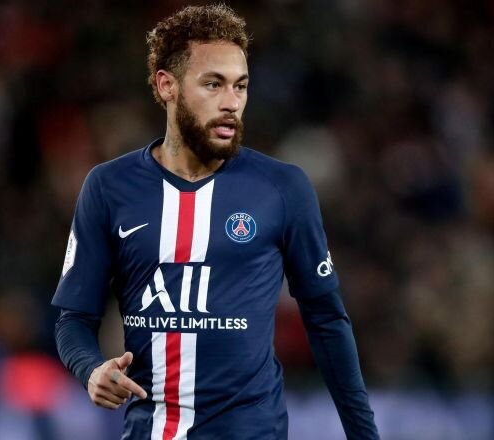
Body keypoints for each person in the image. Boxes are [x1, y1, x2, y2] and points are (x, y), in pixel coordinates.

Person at [52, 4, 379, 439]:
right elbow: (73, 319)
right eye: (213, 84)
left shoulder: (282, 188)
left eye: (240, 86)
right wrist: (91, 369)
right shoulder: (109, 187)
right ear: (166, 85)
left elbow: (327, 320)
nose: (231, 103)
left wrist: (364, 435)